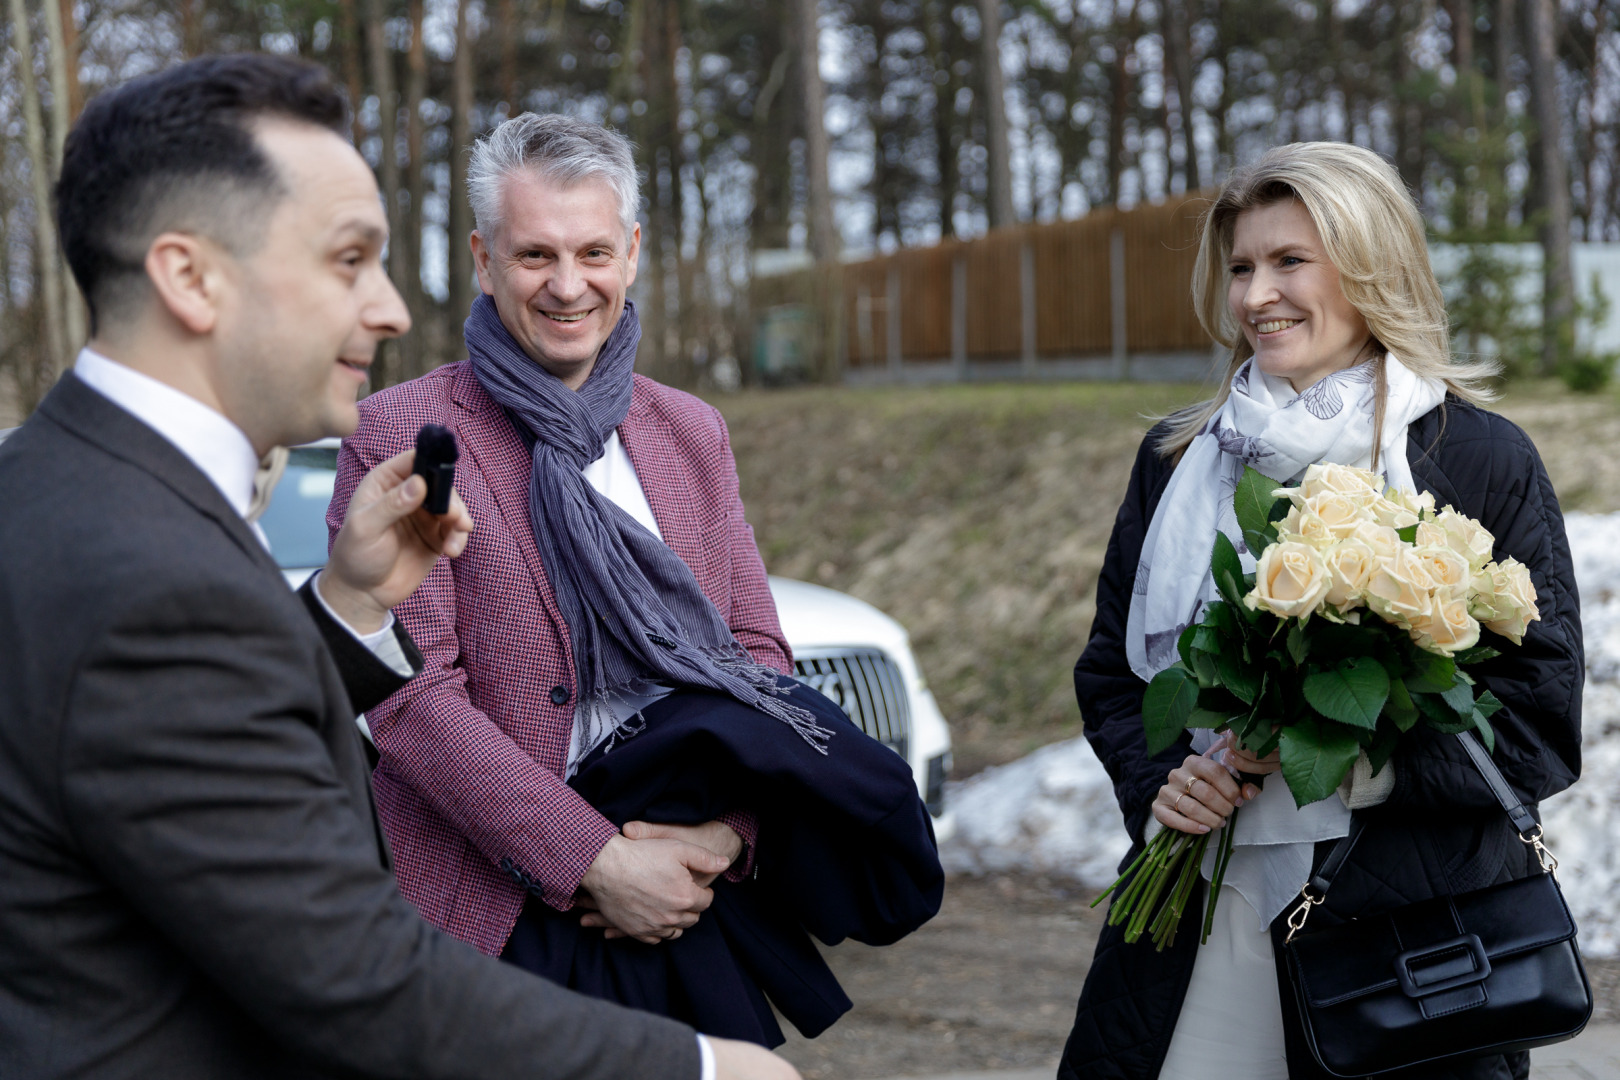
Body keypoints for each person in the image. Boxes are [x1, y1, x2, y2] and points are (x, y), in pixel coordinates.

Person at [0, 54, 795, 1080]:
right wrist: (706, 1071)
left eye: (594, 250)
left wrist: (347, 605)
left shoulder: (48, 484)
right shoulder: (154, 568)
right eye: (348, 260)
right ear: (190, 277)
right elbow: (347, 970)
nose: (384, 308)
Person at [331, 112, 942, 1045]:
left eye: (593, 252)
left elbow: (755, 654)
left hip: (686, 886)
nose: (568, 286)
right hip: (495, 906)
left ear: (634, 252)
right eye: (535, 254)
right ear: (483, 256)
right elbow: (409, 698)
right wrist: (593, 862)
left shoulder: (690, 432)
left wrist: (725, 838)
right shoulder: (407, 433)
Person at [1058, 142, 1583, 1080]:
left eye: (1290, 261)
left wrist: (1340, 759)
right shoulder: (1179, 460)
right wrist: (1162, 782)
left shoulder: (1480, 460)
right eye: (1242, 268)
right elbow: (1111, 674)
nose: (1258, 295)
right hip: (1197, 919)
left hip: (1402, 945)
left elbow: (1539, 721)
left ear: (1372, 263)